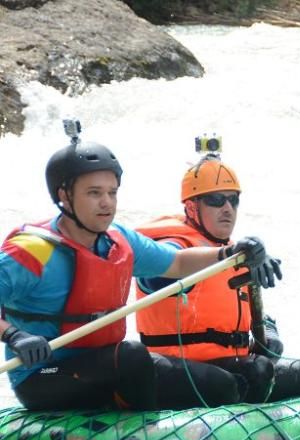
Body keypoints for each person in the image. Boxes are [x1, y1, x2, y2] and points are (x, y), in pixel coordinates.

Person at [0, 121, 279, 411]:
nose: (107, 203)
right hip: (44, 375)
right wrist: (14, 335)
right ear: (64, 196)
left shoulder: (118, 240)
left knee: (225, 385)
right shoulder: (33, 251)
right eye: (94, 193)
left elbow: (179, 262)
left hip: (106, 363)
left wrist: (232, 252)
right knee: (133, 355)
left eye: (112, 192)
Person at [133, 139, 300, 405]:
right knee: (254, 372)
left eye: (233, 200)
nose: (227, 208)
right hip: (180, 371)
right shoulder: (174, 245)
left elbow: (241, 313)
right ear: (192, 207)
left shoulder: (233, 250)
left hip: (235, 365)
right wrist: (228, 255)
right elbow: (156, 273)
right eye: (216, 200)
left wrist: (270, 332)